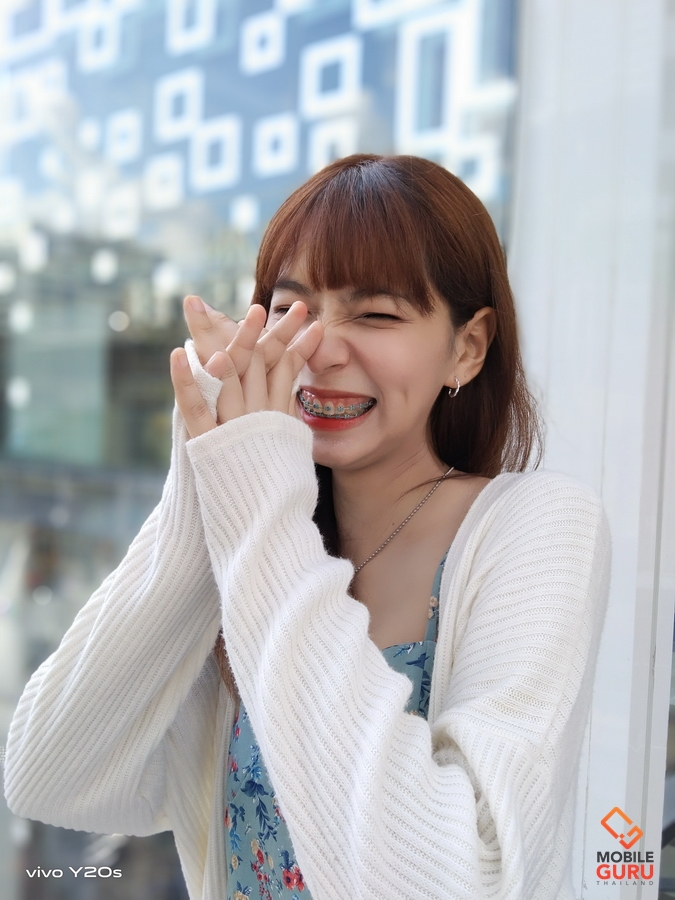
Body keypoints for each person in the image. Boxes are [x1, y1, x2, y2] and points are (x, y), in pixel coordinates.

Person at [4, 155, 610, 900]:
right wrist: (207, 474)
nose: (319, 347)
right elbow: (50, 777)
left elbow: (464, 882)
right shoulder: (260, 538)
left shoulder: (536, 527)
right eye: (290, 311)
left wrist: (254, 493)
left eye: (377, 314)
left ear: (467, 346)